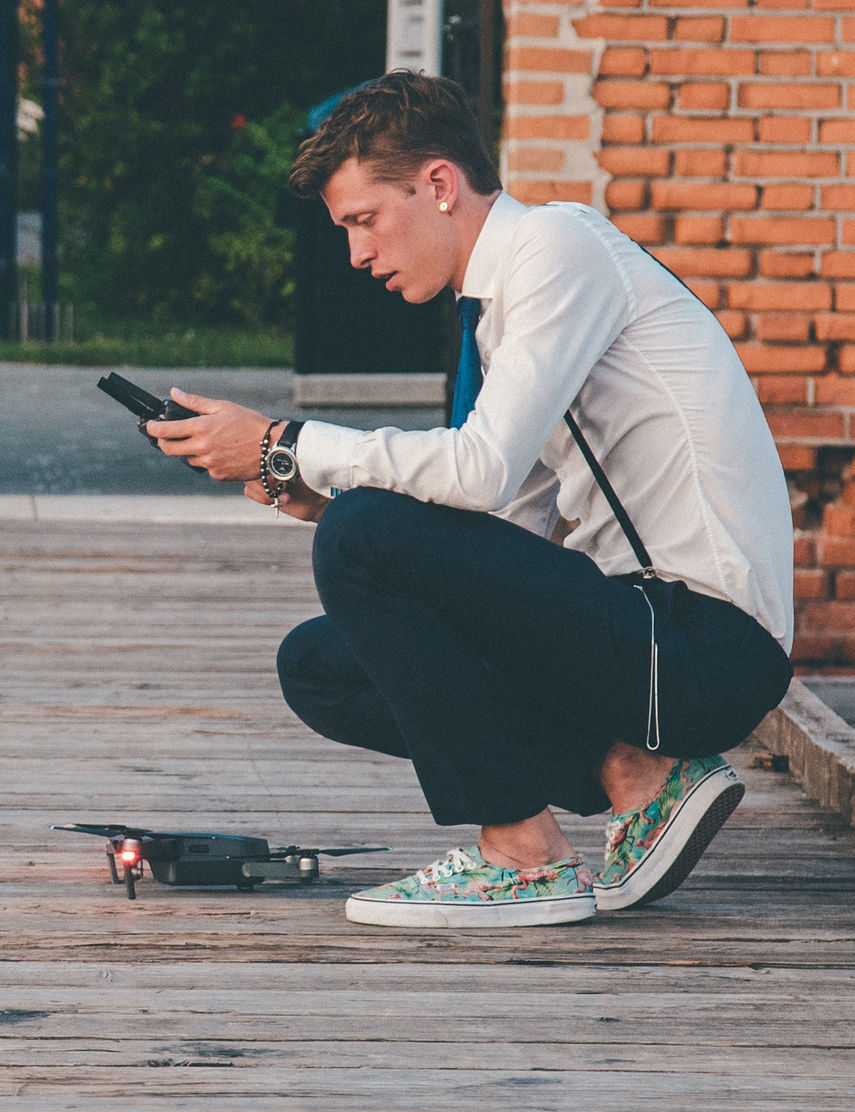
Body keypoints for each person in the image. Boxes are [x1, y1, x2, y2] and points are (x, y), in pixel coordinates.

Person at [146, 70, 794, 929]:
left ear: (439, 184)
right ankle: (634, 773)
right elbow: (495, 527)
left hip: (705, 648)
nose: (357, 254)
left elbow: (478, 468)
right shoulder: (500, 309)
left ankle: (522, 858)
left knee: (366, 533)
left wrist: (284, 441)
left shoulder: (557, 250)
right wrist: (310, 496)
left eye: (365, 220)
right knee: (320, 665)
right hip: (641, 648)